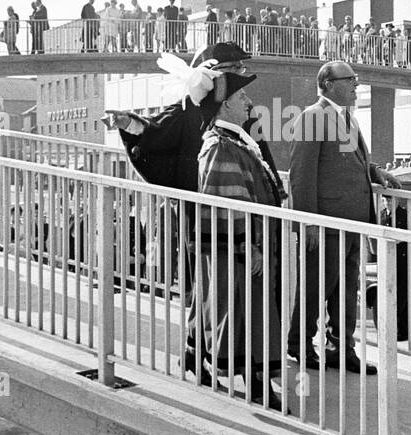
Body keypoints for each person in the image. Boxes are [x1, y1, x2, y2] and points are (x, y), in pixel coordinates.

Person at [103, 42, 279, 385]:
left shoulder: (242, 112)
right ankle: (230, 360)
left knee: (212, 292)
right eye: (237, 69)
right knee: (219, 290)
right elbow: (155, 136)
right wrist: (132, 125)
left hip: (237, 214)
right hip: (207, 214)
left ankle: (197, 351)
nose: (243, 76)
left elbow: (261, 157)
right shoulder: (187, 110)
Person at [287, 61, 401, 374]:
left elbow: (348, 162)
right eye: (349, 79)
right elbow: (301, 175)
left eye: (355, 78)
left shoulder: (347, 118)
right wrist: (308, 222)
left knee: (347, 290)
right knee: (316, 287)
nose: (356, 84)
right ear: (327, 84)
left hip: (353, 222)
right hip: (326, 223)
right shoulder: (312, 118)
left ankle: (341, 347)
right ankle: (299, 344)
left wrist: (376, 172)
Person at [195, 71, 286, 411]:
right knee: (248, 317)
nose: (249, 102)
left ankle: (258, 385)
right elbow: (228, 201)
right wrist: (247, 244)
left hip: (250, 247)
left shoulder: (231, 141)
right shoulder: (221, 147)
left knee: (253, 316)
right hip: (241, 252)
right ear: (226, 104)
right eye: (242, 97)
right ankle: (258, 388)